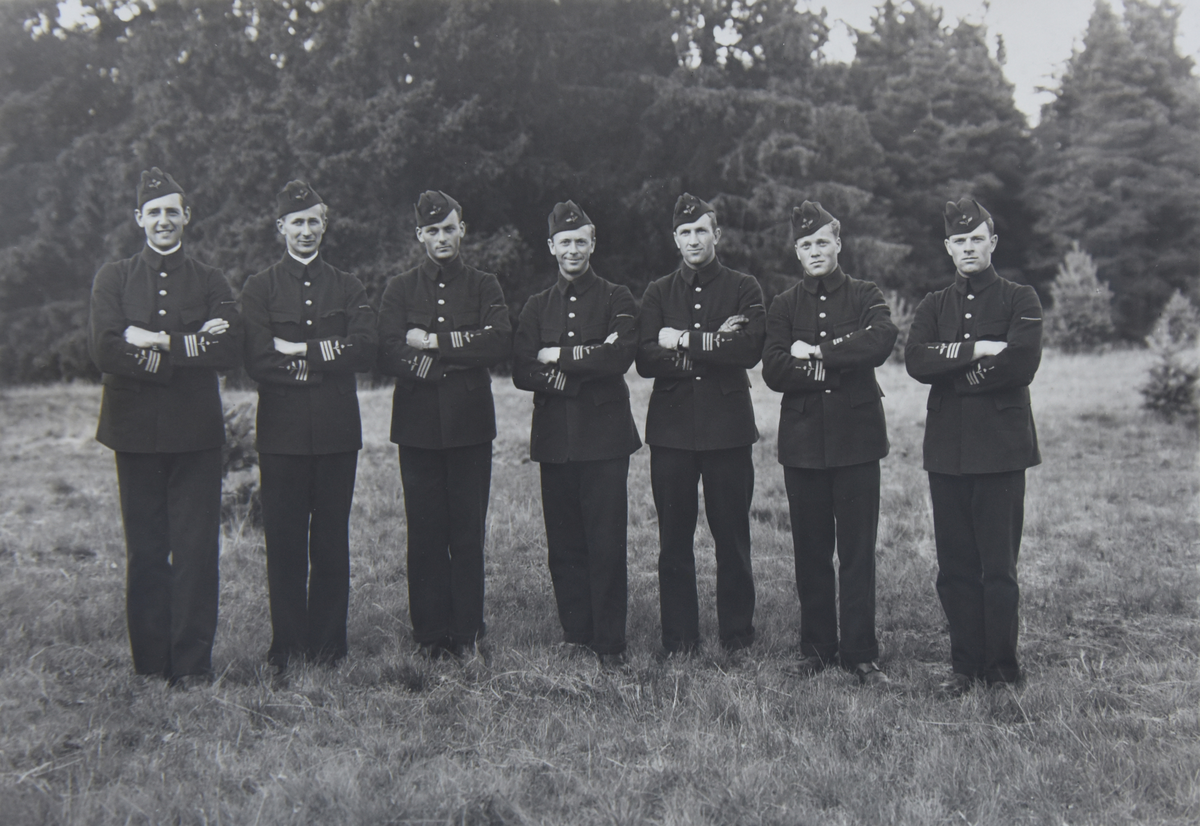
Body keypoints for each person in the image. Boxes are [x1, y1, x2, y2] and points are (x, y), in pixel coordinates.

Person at [88, 167, 241, 688]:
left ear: (186, 217)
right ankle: (152, 665)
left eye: (171, 211)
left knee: (197, 550)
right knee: (147, 549)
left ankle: (193, 665)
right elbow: (105, 348)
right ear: (139, 218)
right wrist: (189, 347)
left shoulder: (211, 279)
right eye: (153, 212)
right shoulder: (113, 277)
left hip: (196, 434)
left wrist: (155, 341)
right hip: (133, 434)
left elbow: (229, 347)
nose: (163, 220)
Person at [905, 197, 1043, 696]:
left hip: (1002, 451)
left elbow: (1022, 363)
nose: (968, 247)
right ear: (948, 247)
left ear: (993, 242)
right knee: (955, 567)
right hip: (947, 452)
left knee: (998, 568)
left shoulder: (1020, 298)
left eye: (976, 239)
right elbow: (915, 360)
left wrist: (954, 373)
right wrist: (978, 350)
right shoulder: (933, 305)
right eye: (959, 241)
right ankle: (964, 667)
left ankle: (1002, 670)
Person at [240, 180, 377, 675]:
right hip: (281, 435)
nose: (305, 230)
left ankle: (329, 646)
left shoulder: (348, 285)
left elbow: (365, 348)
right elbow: (257, 359)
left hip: (337, 432)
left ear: (324, 225)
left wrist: (299, 351)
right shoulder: (259, 288)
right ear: (281, 227)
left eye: (313, 221)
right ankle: (287, 646)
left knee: (331, 540)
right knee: (284, 541)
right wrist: (325, 363)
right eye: (296, 222)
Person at [761, 201, 897, 686]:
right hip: (803, 444)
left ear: (838, 243)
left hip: (858, 441)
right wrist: (839, 364)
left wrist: (817, 352)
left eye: (822, 241)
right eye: (806, 244)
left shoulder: (865, 294)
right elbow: (774, 369)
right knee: (811, 551)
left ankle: (860, 653)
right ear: (796, 252)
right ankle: (816, 648)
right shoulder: (784, 304)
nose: (815, 250)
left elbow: (880, 340)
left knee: (858, 552)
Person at [377, 191, 511, 659]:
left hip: (470, 424)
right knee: (425, 532)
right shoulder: (399, 289)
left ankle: (468, 632)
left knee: (467, 532)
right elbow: (388, 349)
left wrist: (432, 342)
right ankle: (430, 635)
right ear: (420, 235)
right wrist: (444, 362)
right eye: (432, 231)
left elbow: (497, 342)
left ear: (462, 230)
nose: (441, 238)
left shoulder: (484, 285)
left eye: (449, 228)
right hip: (416, 426)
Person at [635, 193, 765, 656]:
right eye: (685, 232)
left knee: (732, 538)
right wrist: (713, 344)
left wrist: (683, 339)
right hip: (671, 432)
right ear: (675, 239)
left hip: (728, 430)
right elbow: (646, 358)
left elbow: (748, 349)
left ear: (717, 235)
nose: (694, 239)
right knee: (673, 540)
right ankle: (679, 639)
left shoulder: (744, 286)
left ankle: (737, 636)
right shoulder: (658, 291)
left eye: (701, 231)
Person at [512, 201, 642, 666]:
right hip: (555, 440)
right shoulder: (536, 306)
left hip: (605, 440)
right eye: (564, 242)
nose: (572, 249)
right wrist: (581, 367)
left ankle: (609, 642)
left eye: (580, 241)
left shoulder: (617, 297)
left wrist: (557, 357)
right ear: (551, 247)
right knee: (564, 543)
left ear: (593, 244)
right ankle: (576, 633)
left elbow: (619, 357)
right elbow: (521, 369)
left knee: (606, 542)